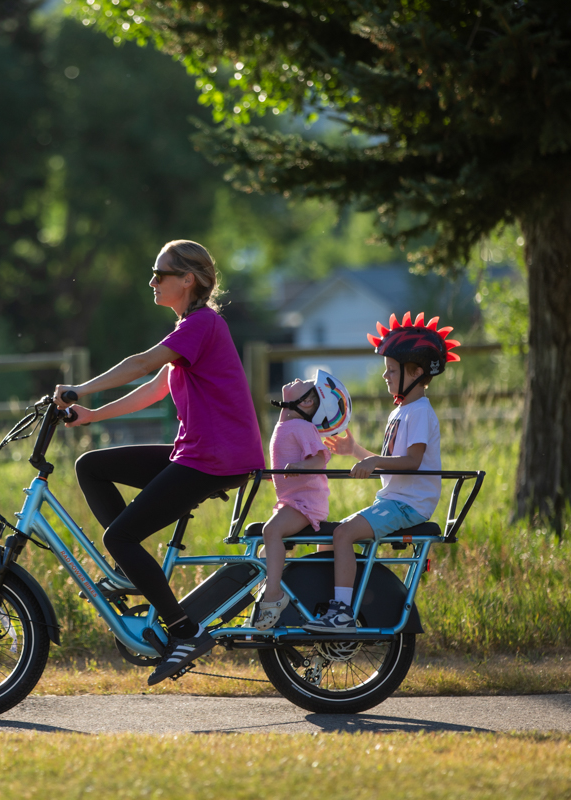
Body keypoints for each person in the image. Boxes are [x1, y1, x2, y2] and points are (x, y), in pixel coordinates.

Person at [54, 240, 264, 685]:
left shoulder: (203, 324)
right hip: (196, 452)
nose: (152, 281)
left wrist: (80, 389)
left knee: (121, 536)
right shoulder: (191, 328)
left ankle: (184, 632)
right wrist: (93, 414)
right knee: (91, 466)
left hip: (215, 458)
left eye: (160, 273)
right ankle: (129, 569)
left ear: (187, 280)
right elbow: (154, 386)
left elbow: (142, 362)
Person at [308, 312, 460, 631]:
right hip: (392, 502)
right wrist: (356, 452)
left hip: (408, 505)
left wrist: (373, 460)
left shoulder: (419, 412)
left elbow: (412, 461)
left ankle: (342, 613)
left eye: (391, 370)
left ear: (417, 372)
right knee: (329, 538)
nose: (385, 376)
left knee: (343, 534)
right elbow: (392, 459)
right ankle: (328, 602)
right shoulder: (403, 411)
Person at [249, 370, 351, 630]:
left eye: (303, 384)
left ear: (306, 402)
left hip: (305, 503)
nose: (296, 380)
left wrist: (299, 465)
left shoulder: (302, 427)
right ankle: (272, 583)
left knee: (271, 531)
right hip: (293, 500)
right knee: (265, 544)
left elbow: (319, 459)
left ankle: (274, 596)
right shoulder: (287, 424)